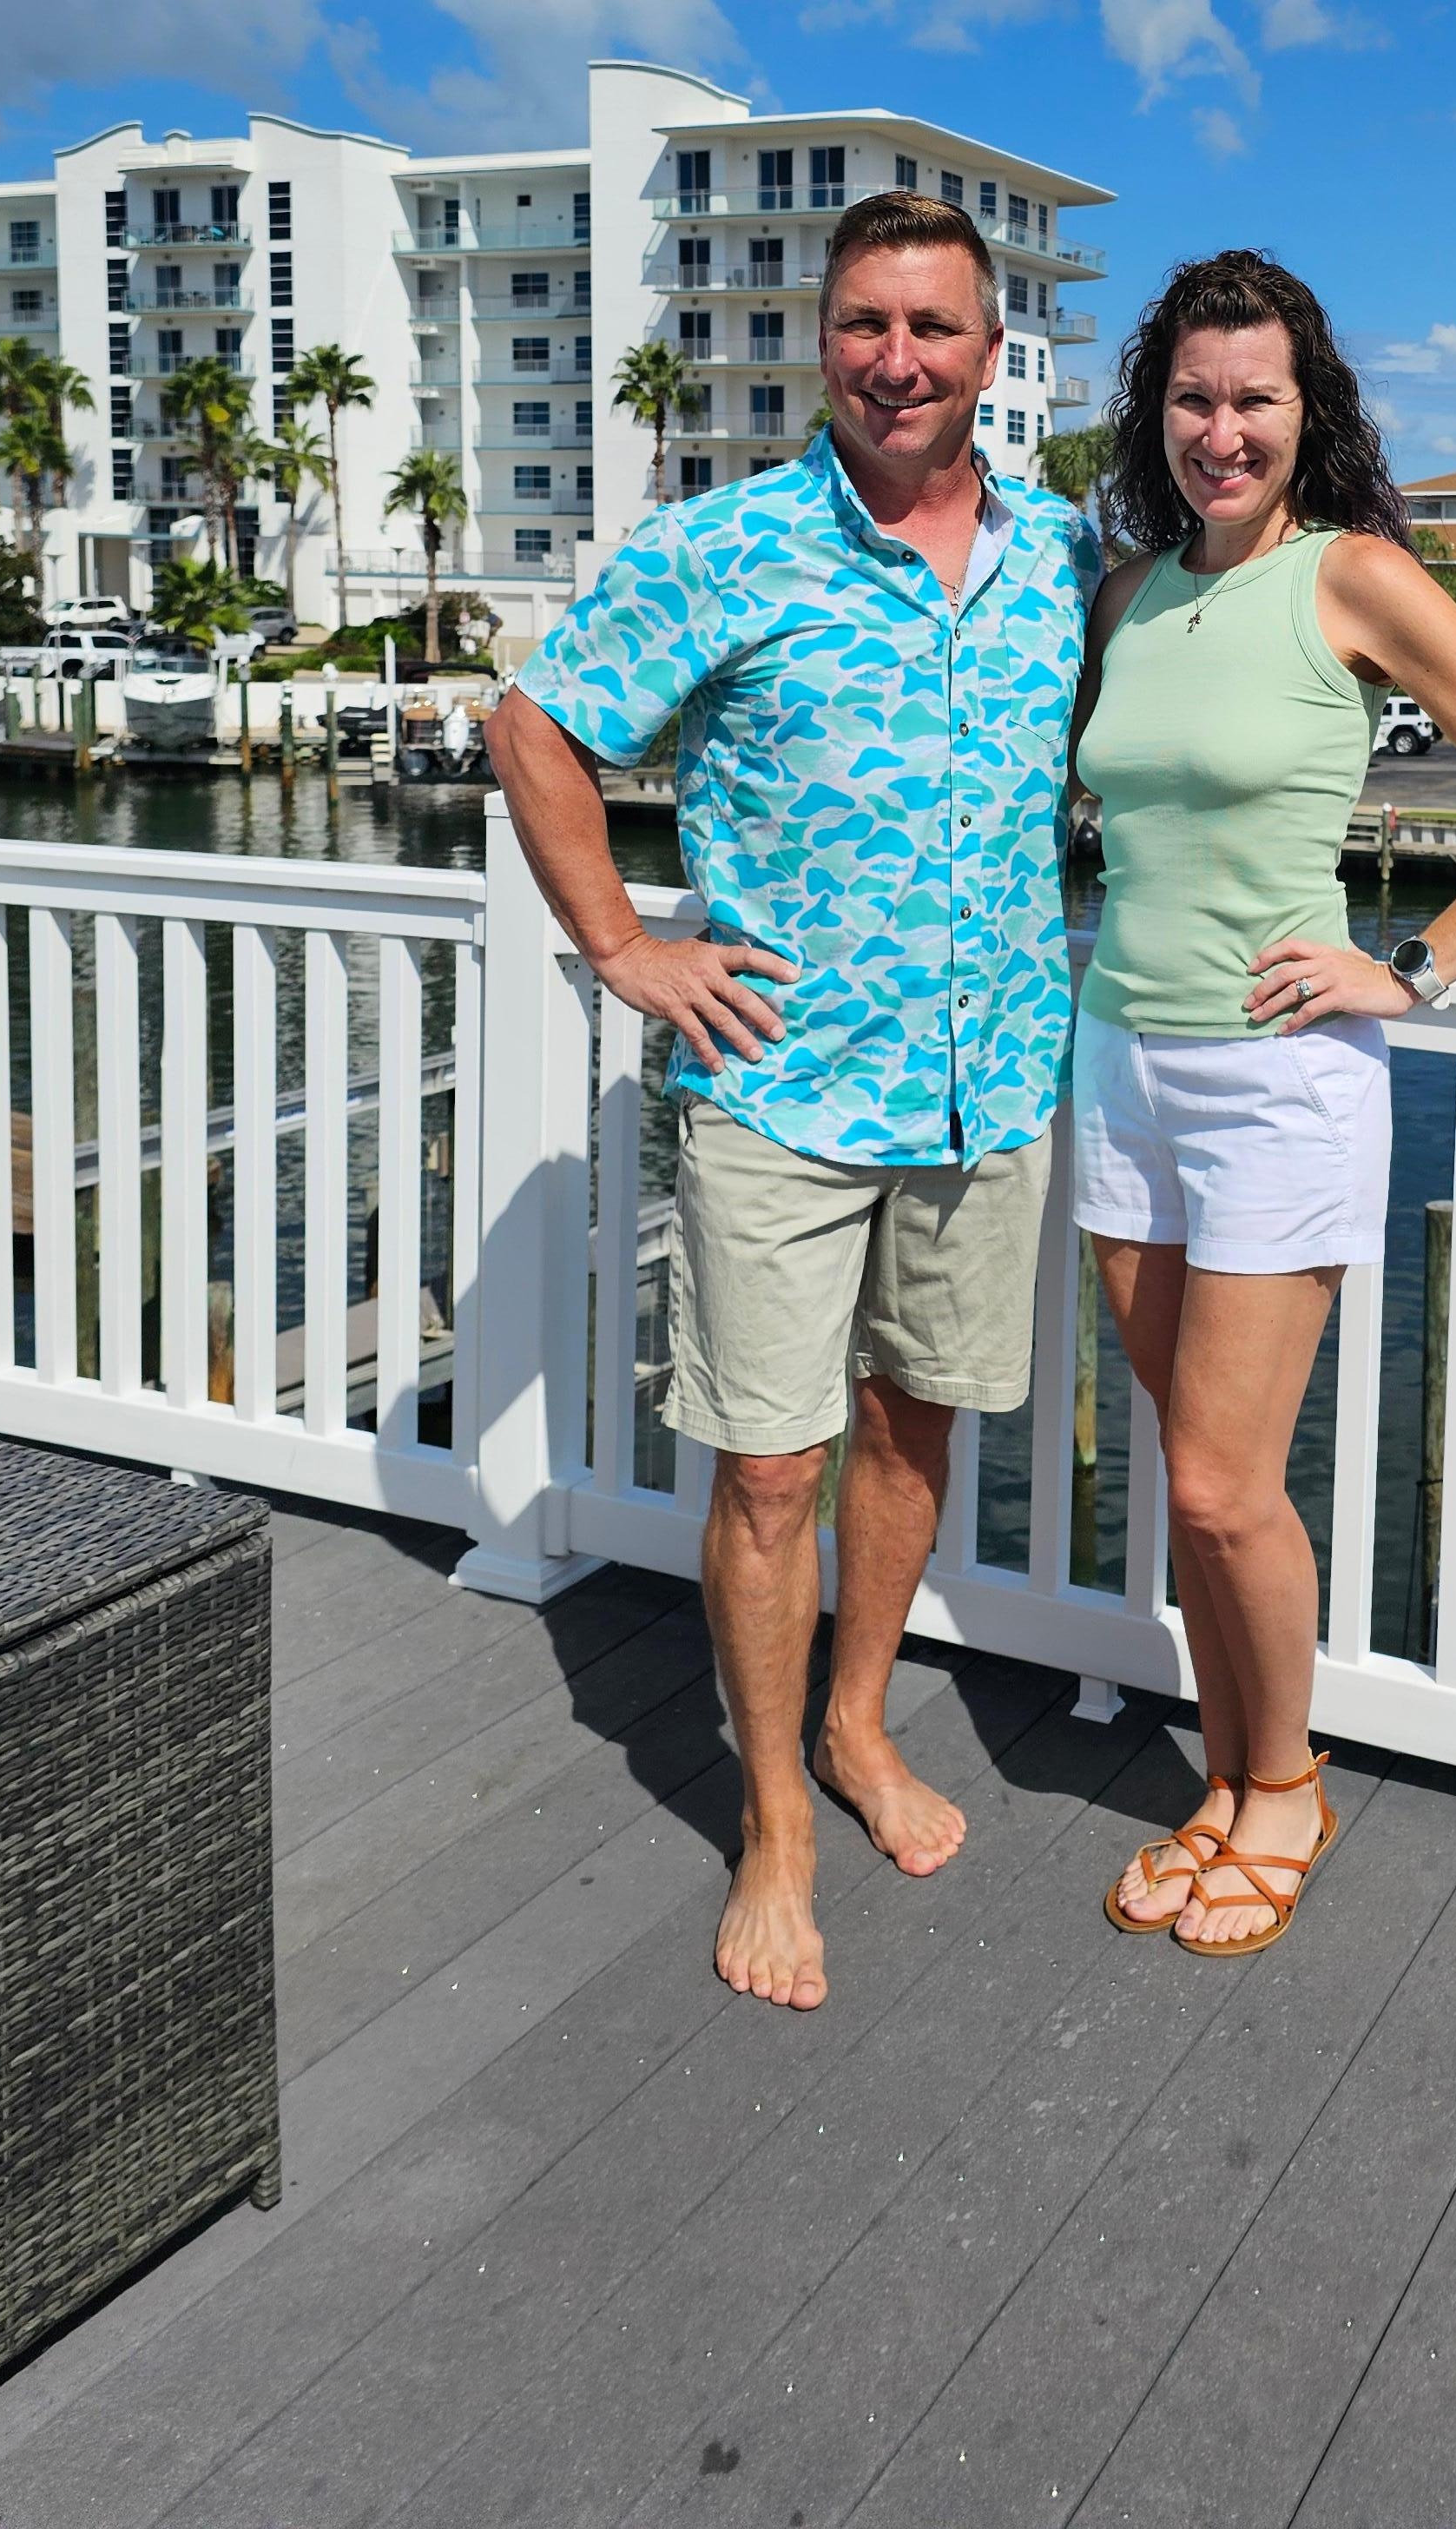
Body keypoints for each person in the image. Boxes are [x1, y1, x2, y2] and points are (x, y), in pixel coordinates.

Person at [488, 194, 1097, 2011]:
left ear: (995, 355)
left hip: (990, 1082)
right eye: (863, 323)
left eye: (933, 325)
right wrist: (622, 945)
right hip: (777, 1085)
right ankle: (774, 1818)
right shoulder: (725, 548)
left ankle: (854, 1716)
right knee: (767, 1467)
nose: (896, 358)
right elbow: (540, 728)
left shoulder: (1067, 554)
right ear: (820, 341)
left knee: (913, 1432)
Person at [1072, 253, 1456, 1951]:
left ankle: (1288, 1785)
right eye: (1194, 398)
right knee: (1192, 1471)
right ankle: (1226, 1781)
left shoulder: (1356, 576)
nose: (1220, 429)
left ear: (1309, 416)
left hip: (1276, 1087)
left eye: (1254, 399)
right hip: (1121, 1064)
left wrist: (1416, 963)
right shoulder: (1134, 590)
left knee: (1233, 1482)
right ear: (1157, 412)